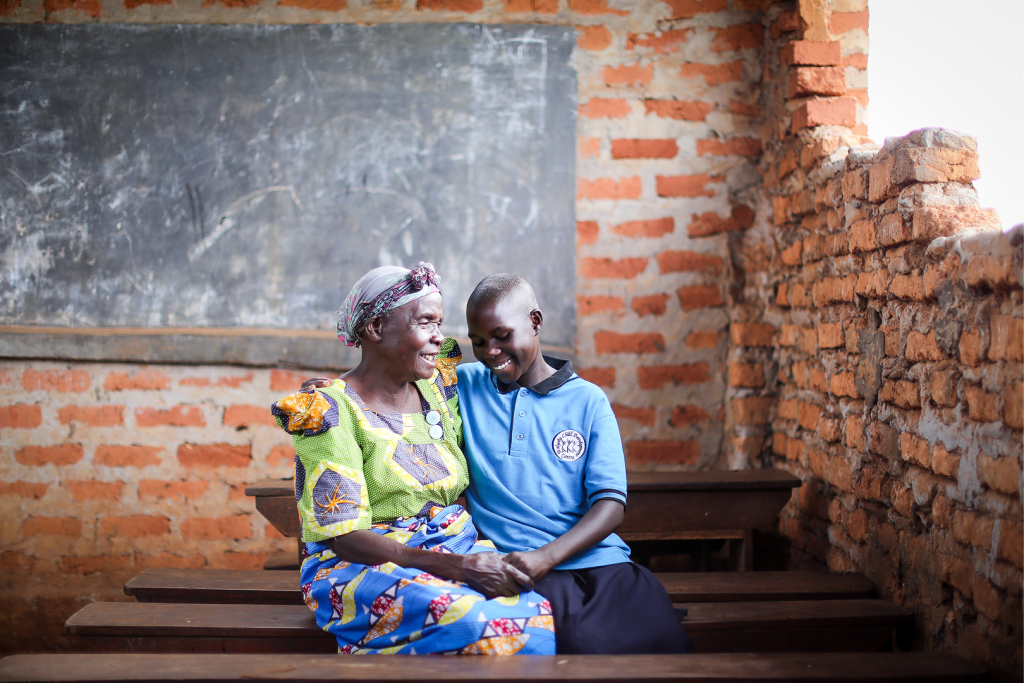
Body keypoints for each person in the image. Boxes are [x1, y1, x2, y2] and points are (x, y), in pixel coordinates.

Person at [271, 263, 556, 655]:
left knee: (536, 611)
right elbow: (347, 540)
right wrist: (460, 569)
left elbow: (513, 363)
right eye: (426, 323)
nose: (440, 338)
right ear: (374, 329)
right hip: (361, 564)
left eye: (440, 323)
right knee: (471, 619)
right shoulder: (332, 412)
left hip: (451, 547)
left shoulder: (439, 388)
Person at [457, 273, 694, 655]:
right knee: (572, 648)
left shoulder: (588, 401)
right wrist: (334, 389)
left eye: (502, 335)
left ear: (535, 322)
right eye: (479, 341)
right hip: (513, 566)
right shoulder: (462, 386)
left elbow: (611, 505)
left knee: (659, 644)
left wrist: (546, 557)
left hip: (596, 562)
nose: (491, 352)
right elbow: (393, 382)